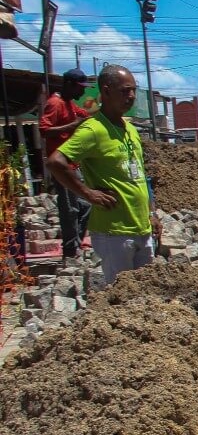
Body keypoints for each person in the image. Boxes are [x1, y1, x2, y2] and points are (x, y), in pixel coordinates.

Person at [46, 65, 161, 286]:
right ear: (106, 91)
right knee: (122, 298)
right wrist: (88, 194)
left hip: (141, 227)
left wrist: (152, 213)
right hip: (115, 232)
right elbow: (56, 162)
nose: (131, 96)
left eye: (134, 90)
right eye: (125, 91)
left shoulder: (131, 130)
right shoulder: (93, 130)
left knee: (148, 299)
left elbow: (140, 176)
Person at [39, 68, 94, 258]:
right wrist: (71, 126)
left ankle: (75, 242)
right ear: (69, 85)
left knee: (86, 205)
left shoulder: (70, 104)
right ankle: (71, 249)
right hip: (61, 166)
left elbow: (86, 115)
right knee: (69, 208)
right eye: (80, 88)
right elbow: (44, 130)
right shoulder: (55, 103)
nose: (82, 92)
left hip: (72, 165)